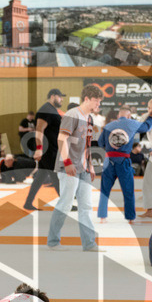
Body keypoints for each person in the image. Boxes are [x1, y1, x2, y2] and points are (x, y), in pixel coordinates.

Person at [47, 84, 104, 252]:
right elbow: (61, 138)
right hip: (68, 166)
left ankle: (89, 243)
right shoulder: (72, 115)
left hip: (84, 168)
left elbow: (87, 144)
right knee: (65, 203)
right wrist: (67, 162)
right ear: (86, 99)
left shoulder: (90, 118)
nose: (98, 105)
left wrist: (91, 165)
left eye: (99, 102)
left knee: (86, 206)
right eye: (96, 101)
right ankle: (53, 241)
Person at [98, 104, 152, 223]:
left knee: (105, 190)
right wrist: (151, 116)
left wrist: (111, 149)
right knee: (128, 191)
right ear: (129, 115)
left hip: (109, 161)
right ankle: (130, 219)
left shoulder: (108, 126)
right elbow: (147, 127)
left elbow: (100, 143)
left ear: (119, 115)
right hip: (123, 161)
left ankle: (102, 217)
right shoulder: (132, 123)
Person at [23, 88, 64, 210]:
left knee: (40, 177)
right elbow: (39, 130)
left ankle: (28, 202)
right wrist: (39, 148)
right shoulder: (45, 110)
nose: (61, 99)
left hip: (51, 149)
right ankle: (64, 204)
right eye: (60, 97)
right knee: (55, 176)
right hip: (48, 150)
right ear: (53, 96)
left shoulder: (52, 110)